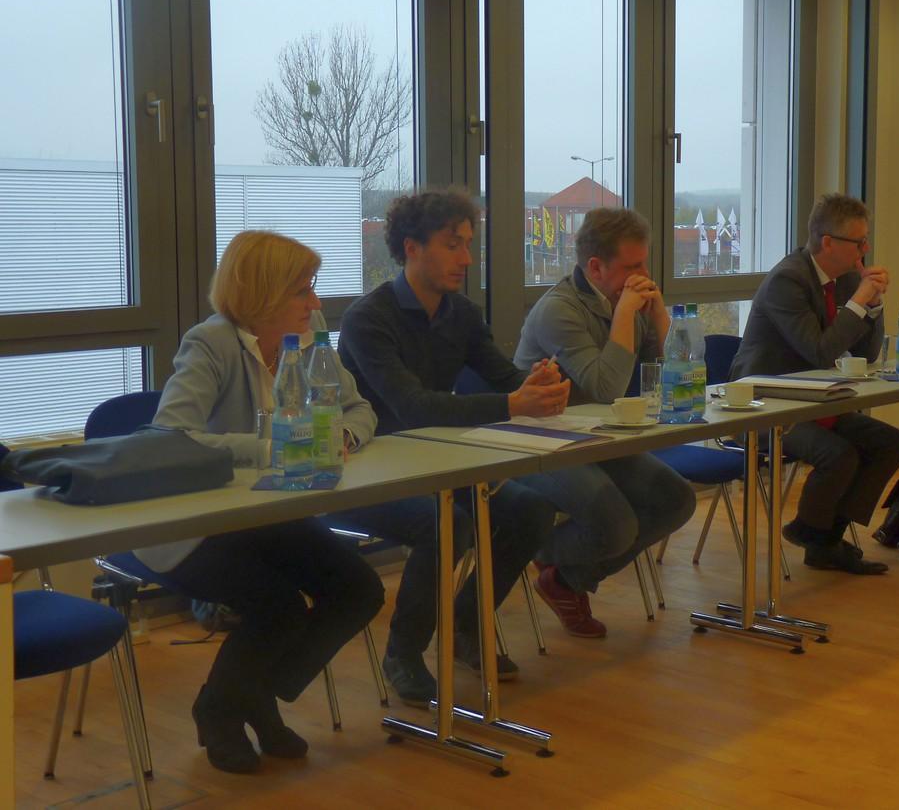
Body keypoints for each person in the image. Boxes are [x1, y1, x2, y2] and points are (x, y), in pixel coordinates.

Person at [134, 230, 385, 774]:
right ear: (264, 293)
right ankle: (227, 710)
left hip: (268, 512)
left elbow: (360, 409)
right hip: (191, 525)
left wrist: (343, 435)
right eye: (302, 289)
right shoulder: (211, 342)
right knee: (278, 607)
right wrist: (268, 449)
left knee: (358, 589)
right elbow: (170, 437)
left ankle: (244, 695)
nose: (315, 301)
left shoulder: (310, 338)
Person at [336, 188, 563, 704]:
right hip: (368, 469)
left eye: (468, 244)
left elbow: (504, 378)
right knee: (448, 524)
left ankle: (465, 624)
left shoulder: (461, 313)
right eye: (452, 244)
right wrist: (515, 403)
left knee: (530, 511)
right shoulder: (369, 318)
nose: (466, 258)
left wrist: (540, 382)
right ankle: (403, 652)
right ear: (411, 248)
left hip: (437, 462)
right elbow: (412, 407)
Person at [514, 207, 696, 632]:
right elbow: (606, 387)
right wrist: (626, 315)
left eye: (644, 264)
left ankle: (565, 579)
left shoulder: (625, 301)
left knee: (676, 500)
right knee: (616, 526)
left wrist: (659, 313)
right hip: (541, 442)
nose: (642, 276)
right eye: (632, 267)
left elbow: (676, 374)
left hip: (598, 436)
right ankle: (530, 547)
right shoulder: (558, 310)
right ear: (595, 267)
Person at [730, 193, 899, 575]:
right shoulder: (788, 280)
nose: (865, 250)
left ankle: (823, 537)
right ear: (828, 242)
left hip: (811, 400)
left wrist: (873, 305)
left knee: (890, 442)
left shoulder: (844, 280)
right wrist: (859, 301)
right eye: (858, 242)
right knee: (839, 454)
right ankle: (813, 533)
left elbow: (865, 352)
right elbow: (819, 351)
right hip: (762, 404)